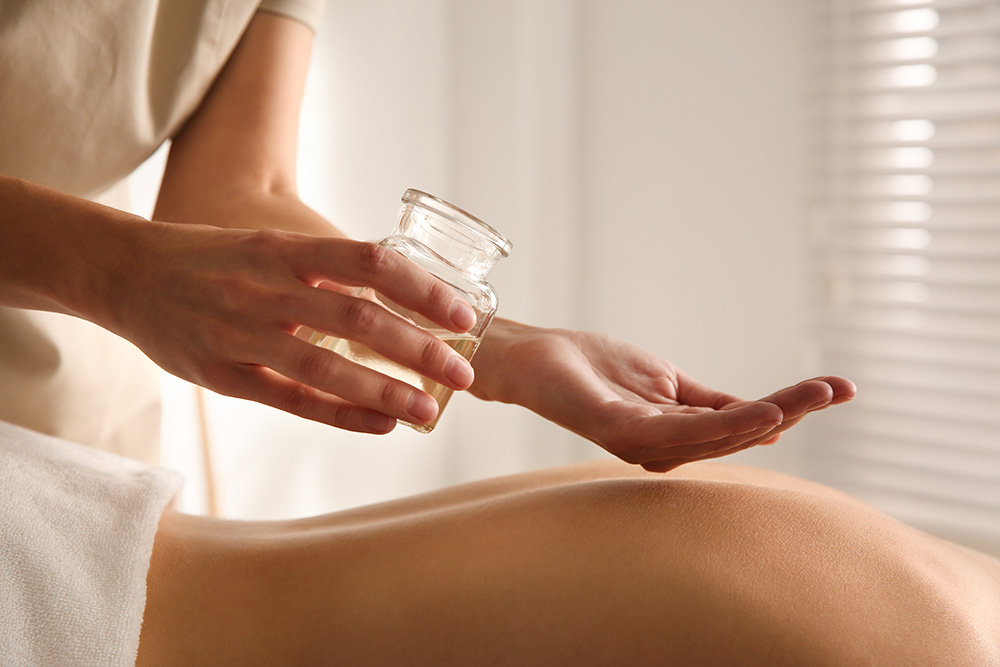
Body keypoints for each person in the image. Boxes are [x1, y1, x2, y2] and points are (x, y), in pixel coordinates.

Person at [1, 3, 997, 665]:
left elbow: (235, 192)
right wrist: (118, 270)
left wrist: (498, 347)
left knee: (872, 570)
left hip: (81, 444)